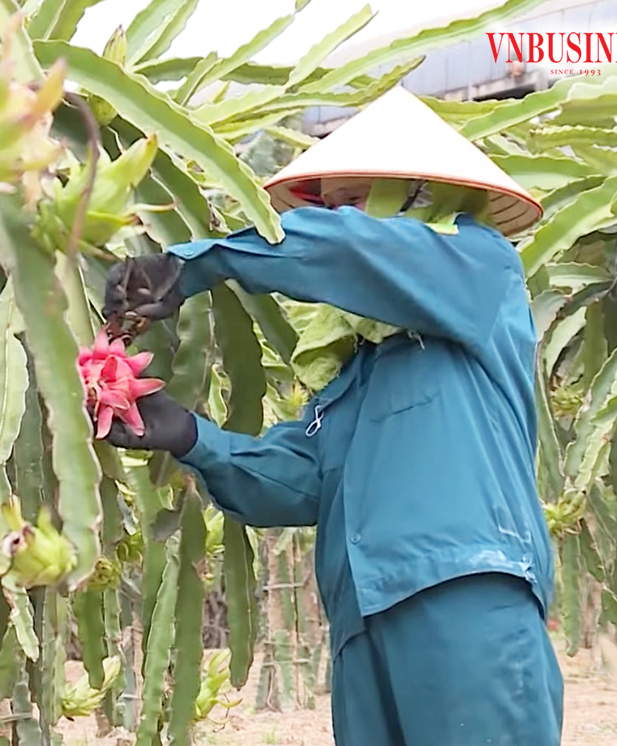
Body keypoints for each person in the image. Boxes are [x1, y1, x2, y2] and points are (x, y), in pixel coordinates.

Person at [98, 86, 564, 746]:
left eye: (354, 201)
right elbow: (304, 480)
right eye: (331, 205)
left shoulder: (481, 268)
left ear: (418, 196)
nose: (339, 217)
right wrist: (191, 436)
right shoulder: (354, 371)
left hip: (465, 594)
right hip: (361, 618)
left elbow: (354, 252)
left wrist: (200, 263)